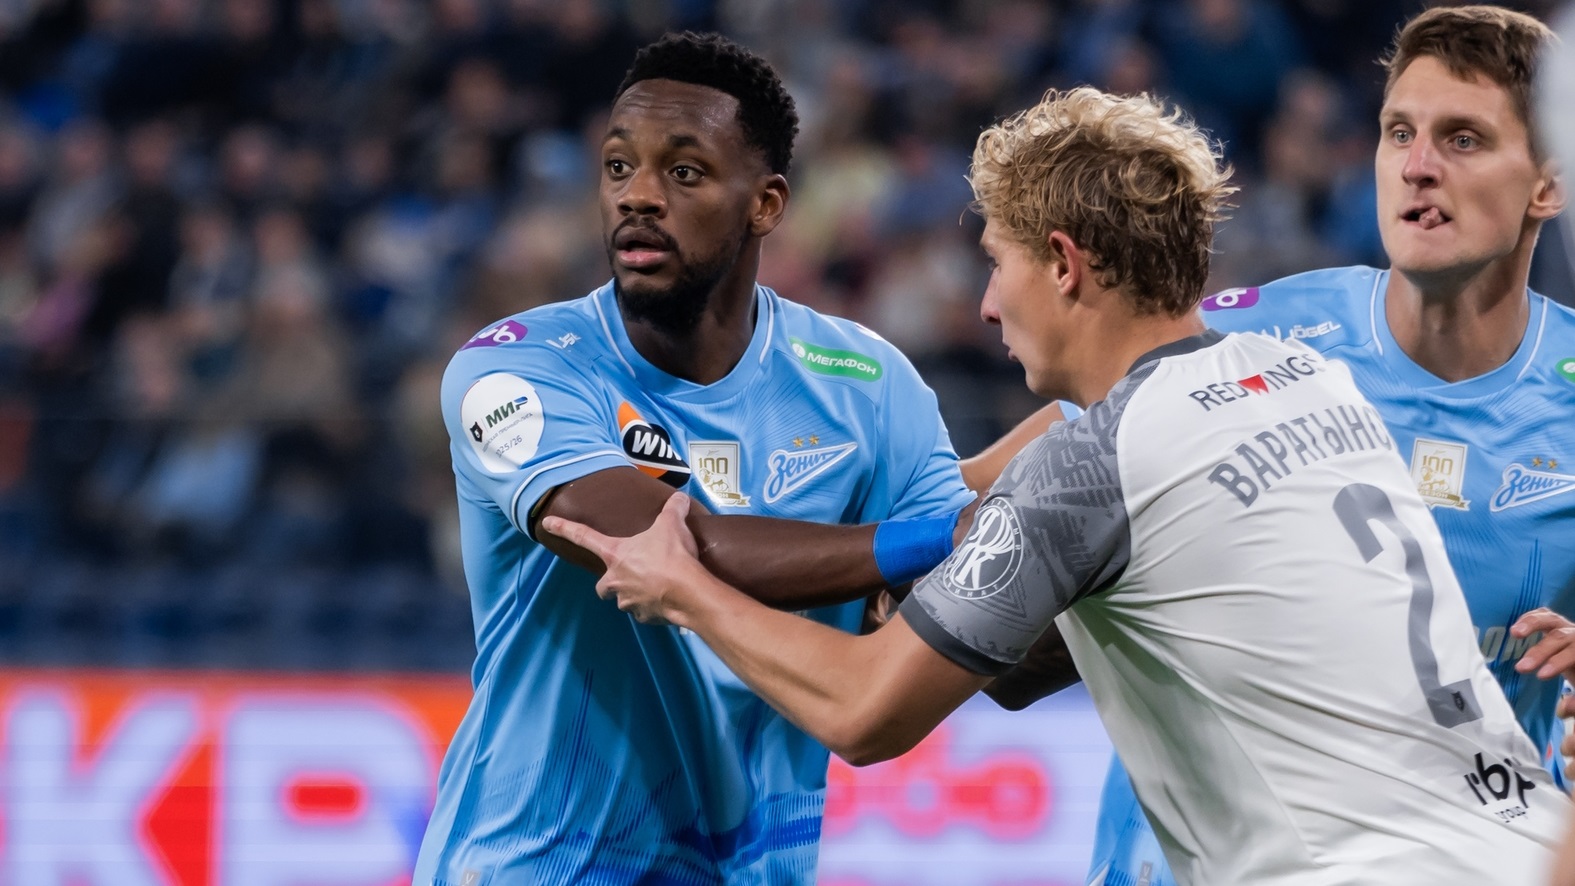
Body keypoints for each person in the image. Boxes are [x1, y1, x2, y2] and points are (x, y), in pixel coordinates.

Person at [546, 85, 1570, 885]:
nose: (988, 305)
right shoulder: (1304, 376)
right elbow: (1040, 652)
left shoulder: (1096, 467)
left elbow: (865, 712)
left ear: (1065, 264)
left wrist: (686, 588)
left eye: (998, 263)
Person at [414, 31, 1060, 886]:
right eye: (617, 167)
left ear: (766, 203)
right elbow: (673, 550)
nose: (638, 196)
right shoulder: (517, 370)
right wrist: (947, 536)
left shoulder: (865, 382)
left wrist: (1100, 570)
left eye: (683, 172)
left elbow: (977, 633)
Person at [1087, 8, 1575, 885]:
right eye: (1398, 133)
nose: (1416, 166)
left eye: (1462, 139)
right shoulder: (1243, 344)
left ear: (1548, 185)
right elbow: (1007, 501)